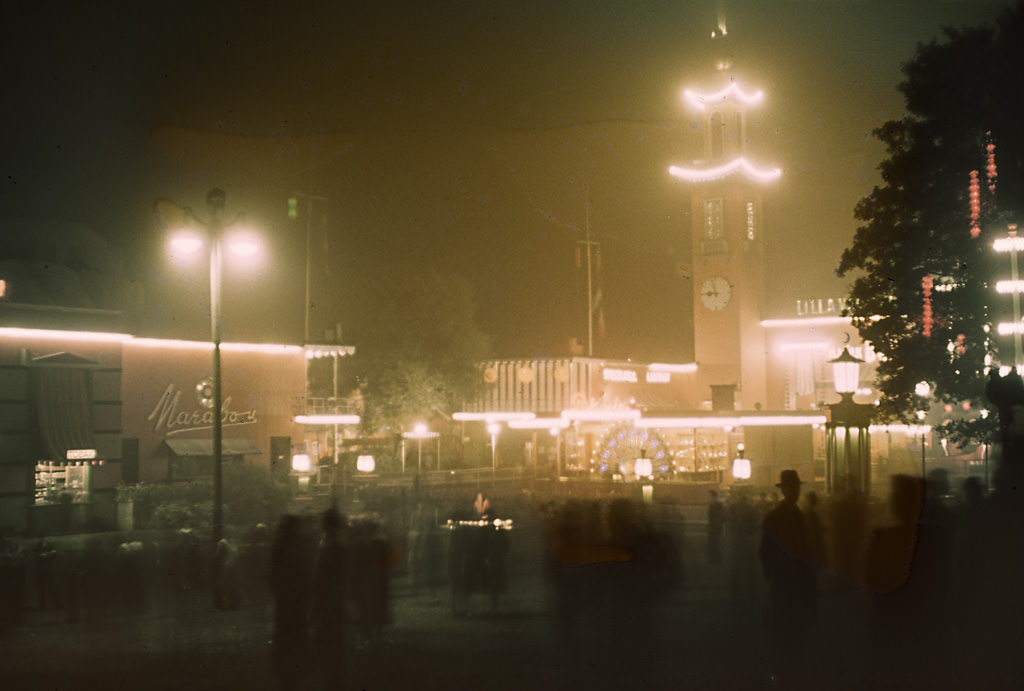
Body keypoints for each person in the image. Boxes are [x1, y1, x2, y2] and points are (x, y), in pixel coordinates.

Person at [759, 469, 816, 687]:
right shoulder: (792, 515)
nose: (796, 491)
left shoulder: (776, 516)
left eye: (797, 487)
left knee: (785, 634)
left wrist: (771, 572)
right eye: (793, 487)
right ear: (785, 490)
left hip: (784, 583)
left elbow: (764, 552)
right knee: (793, 635)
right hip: (793, 583)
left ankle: (784, 675)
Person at [310, 507, 348, 690]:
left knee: (327, 643)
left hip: (327, 602)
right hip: (335, 601)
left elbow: (319, 577)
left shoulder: (327, 548)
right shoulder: (338, 546)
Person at [707, 489, 726, 565]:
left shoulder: (717, 505)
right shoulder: (714, 504)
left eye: (711, 496)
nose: (710, 498)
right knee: (712, 543)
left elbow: (718, 515)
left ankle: (716, 559)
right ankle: (714, 559)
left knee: (714, 543)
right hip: (713, 525)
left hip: (716, 526)